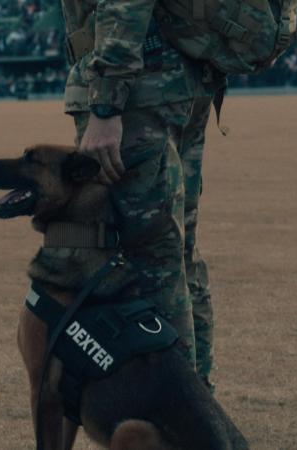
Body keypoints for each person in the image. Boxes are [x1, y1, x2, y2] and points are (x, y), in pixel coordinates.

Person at [58, 0, 225, 387]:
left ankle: (174, 416)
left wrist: (106, 105)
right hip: (180, 78)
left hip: (138, 92)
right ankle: (198, 410)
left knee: (149, 260)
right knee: (176, 252)